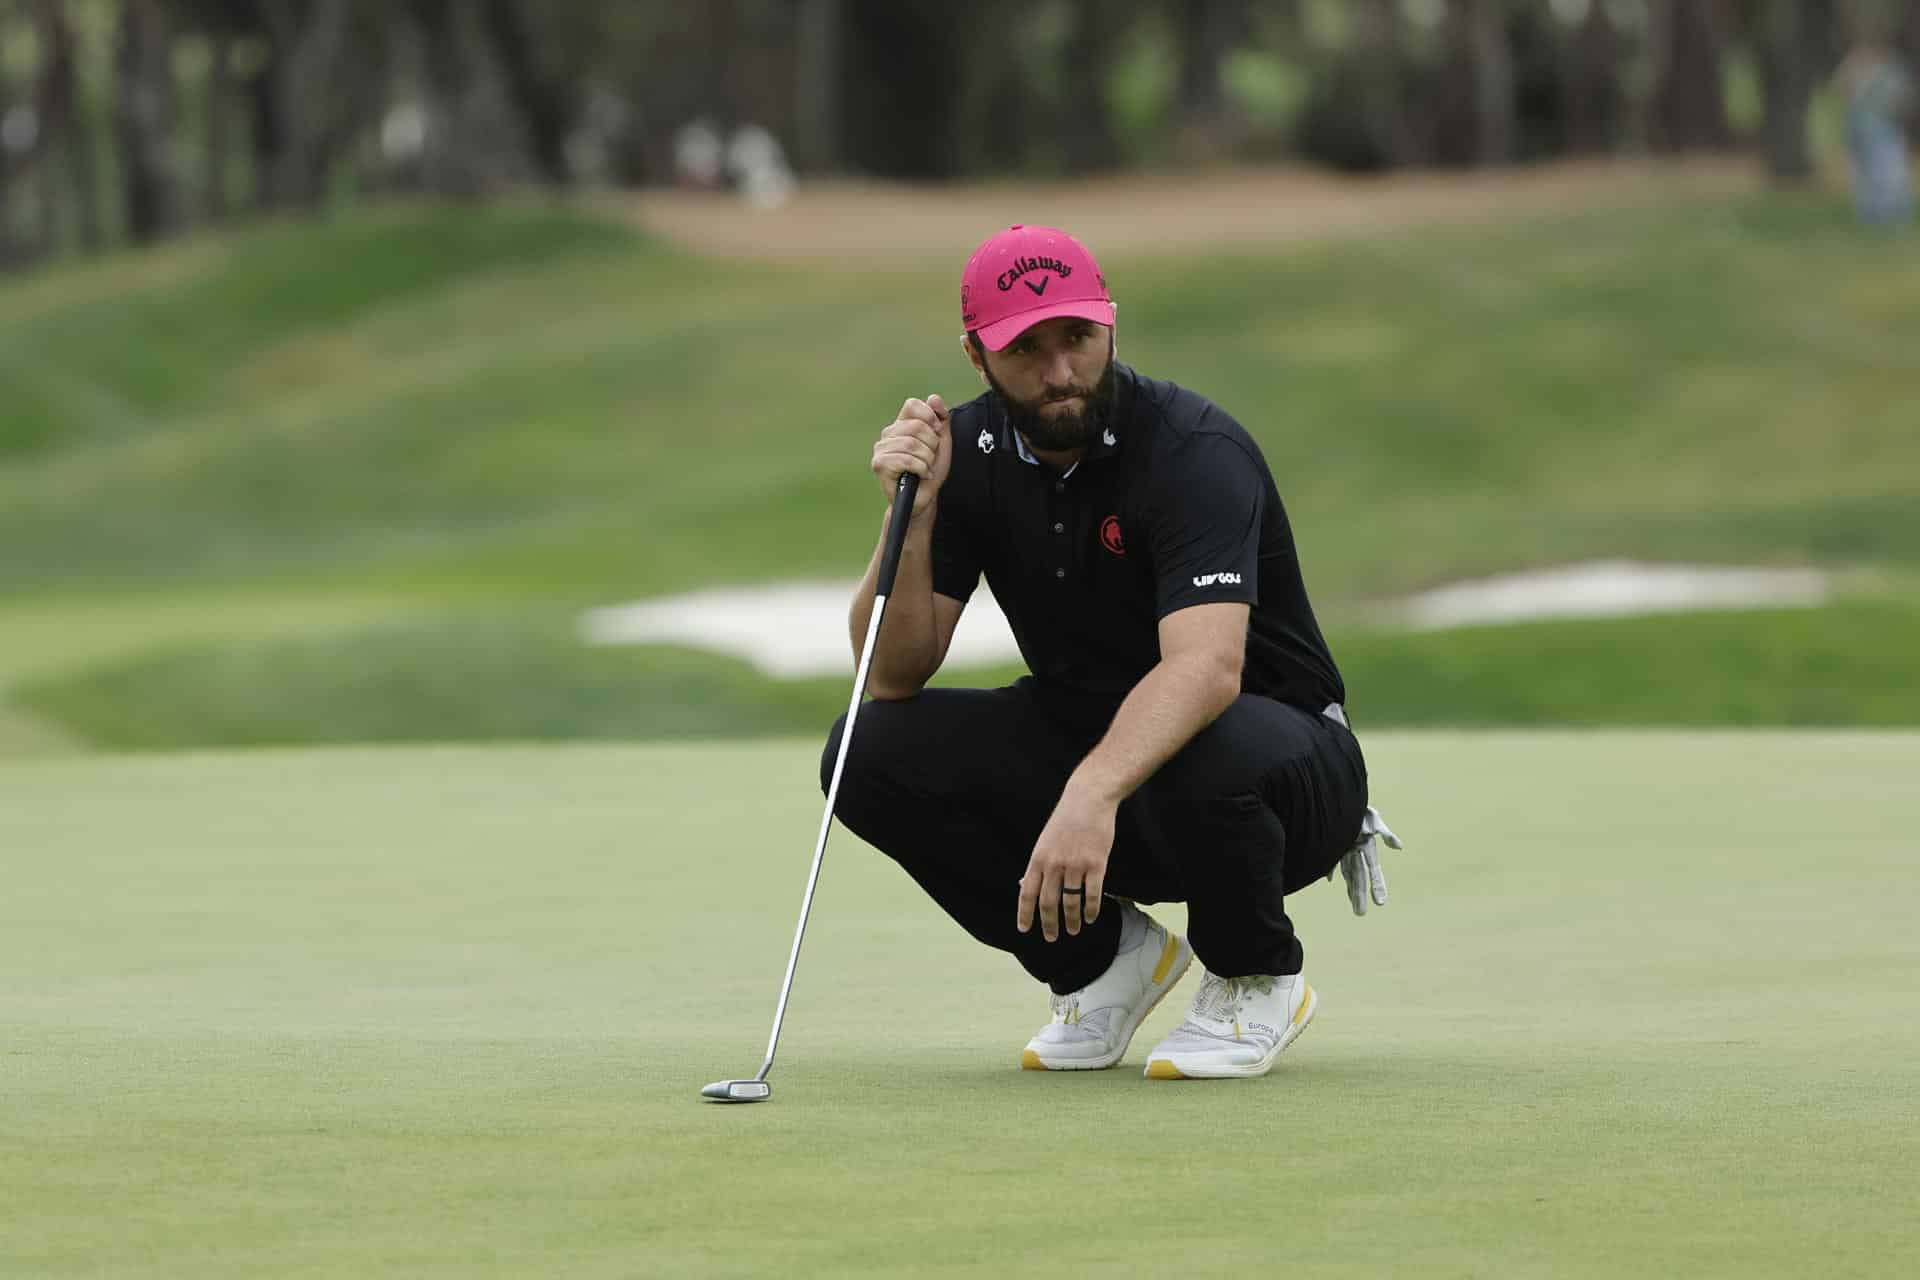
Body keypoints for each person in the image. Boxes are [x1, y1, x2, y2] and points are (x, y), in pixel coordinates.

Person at [822, 225, 1402, 1082]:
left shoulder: (1192, 449)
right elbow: (891, 671)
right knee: (864, 750)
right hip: (1108, 757)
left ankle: (1256, 976)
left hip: (1282, 768)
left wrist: (1089, 792)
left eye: (1077, 338)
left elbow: (1207, 669)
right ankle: (1102, 961)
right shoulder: (966, 457)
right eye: (1026, 349)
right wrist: (913, 517)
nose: (1060, 371)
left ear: (1111, 327)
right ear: (977, 357)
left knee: (1204, 739)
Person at [1840, 41, 1915, 226]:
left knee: (1877, 172)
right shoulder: (1883, 70)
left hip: (1872, 125)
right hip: (1873, 126)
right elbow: (1902, 100)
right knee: (1880, 172)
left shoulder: (1881, 69)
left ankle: (1880, 214)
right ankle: (1881, 215)